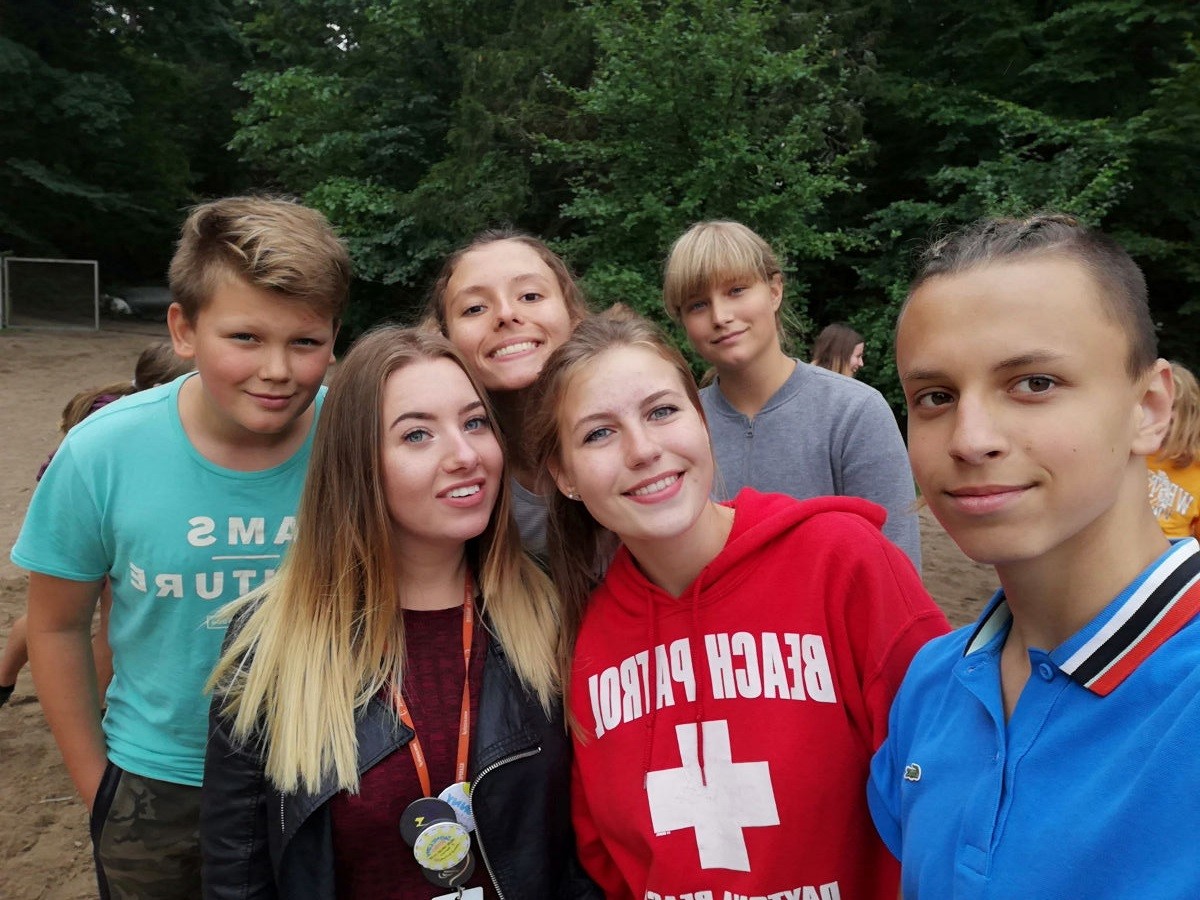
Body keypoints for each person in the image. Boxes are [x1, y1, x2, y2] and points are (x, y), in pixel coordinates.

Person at [525, 307, 949, 899]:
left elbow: (952, 789)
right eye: (599, 433)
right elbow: (606, 858)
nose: (643, 450)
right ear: (564, 475)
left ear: (701, 422)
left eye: (662, 411)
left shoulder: (842, 564)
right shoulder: (585, 641)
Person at [11, 195, 349, 899]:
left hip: (327, 764)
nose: (278, 369)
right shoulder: (101, 452)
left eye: (305, 342)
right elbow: (56, 624)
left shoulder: (356, 437)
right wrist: (98, 788)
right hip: (157, 781)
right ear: (184, 330)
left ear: (334, 337)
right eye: (245, 337)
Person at [202, 326, 599, 899]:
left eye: (475, 423)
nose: (465, 456)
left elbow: (593, 854)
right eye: (417, 434)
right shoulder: (270, 643)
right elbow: (238, 874)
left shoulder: (557, 611)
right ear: (357, 464)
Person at [867, 214, 1198, 897]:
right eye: (935, 397)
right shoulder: (931, 684)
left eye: (1035, 383)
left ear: (1148, 407)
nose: (970, 439)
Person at [661, 220, 922, 568]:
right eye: (697, 305)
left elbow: (897, 570)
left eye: (736, 290)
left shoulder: (856, 412)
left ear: (774, 291)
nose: (720, 316)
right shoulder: (676, 427)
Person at [1, 342, 193, 709]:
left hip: (109, 524)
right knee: (81, 616)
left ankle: (9, 681)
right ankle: (92, 705)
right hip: (91, 526)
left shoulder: (131, 411)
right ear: (160, 389)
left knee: (73, 615)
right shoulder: (120, 427)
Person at [426, 229, 589, 555]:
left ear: (572, 316)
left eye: (530, 296)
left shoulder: (643, 428)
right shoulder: (442, 468)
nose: (504, 314)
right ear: (446, 340)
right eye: (475, 308)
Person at [1146, 361, 1200, 539]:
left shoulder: (1196, 470)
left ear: (1189, 413)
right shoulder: (1127, 452)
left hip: (1170, 550)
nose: (1159, 412)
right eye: (1151, 403)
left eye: (1171, 406)